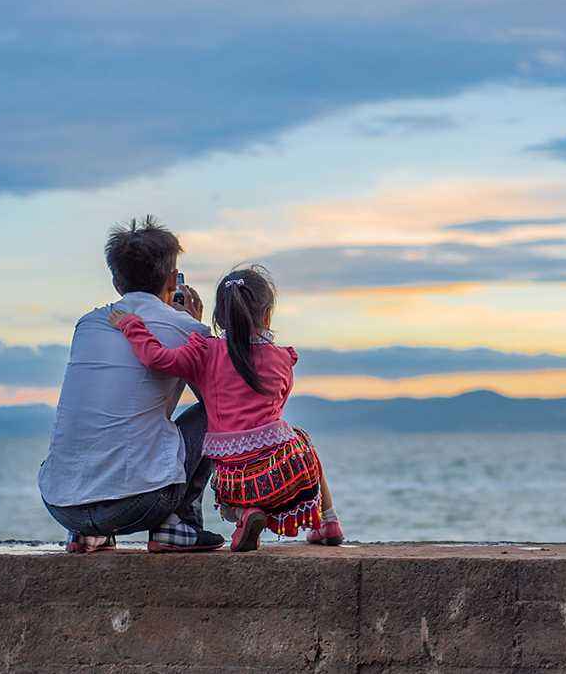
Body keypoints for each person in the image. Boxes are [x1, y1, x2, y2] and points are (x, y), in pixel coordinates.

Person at [108, 264, 344, 552]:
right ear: (267, 314)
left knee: (235, 475)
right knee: (301, 439)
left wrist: (133, 326)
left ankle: (244, 514)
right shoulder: (282, 359)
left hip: (235, 480)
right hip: (286, 473)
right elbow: (275, 405)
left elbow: (158, 359)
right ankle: (327, 521)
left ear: (219, 316)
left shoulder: (205, 352)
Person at [38, 216, 225, 553]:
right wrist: (195, 326)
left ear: (115, 281)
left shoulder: (88, 324)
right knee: (216, 412)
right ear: (172, 279)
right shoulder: (188, 330)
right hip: (141, 503)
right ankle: (180, 524)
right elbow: (219, 402)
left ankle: (87, 532)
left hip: (61, 505)